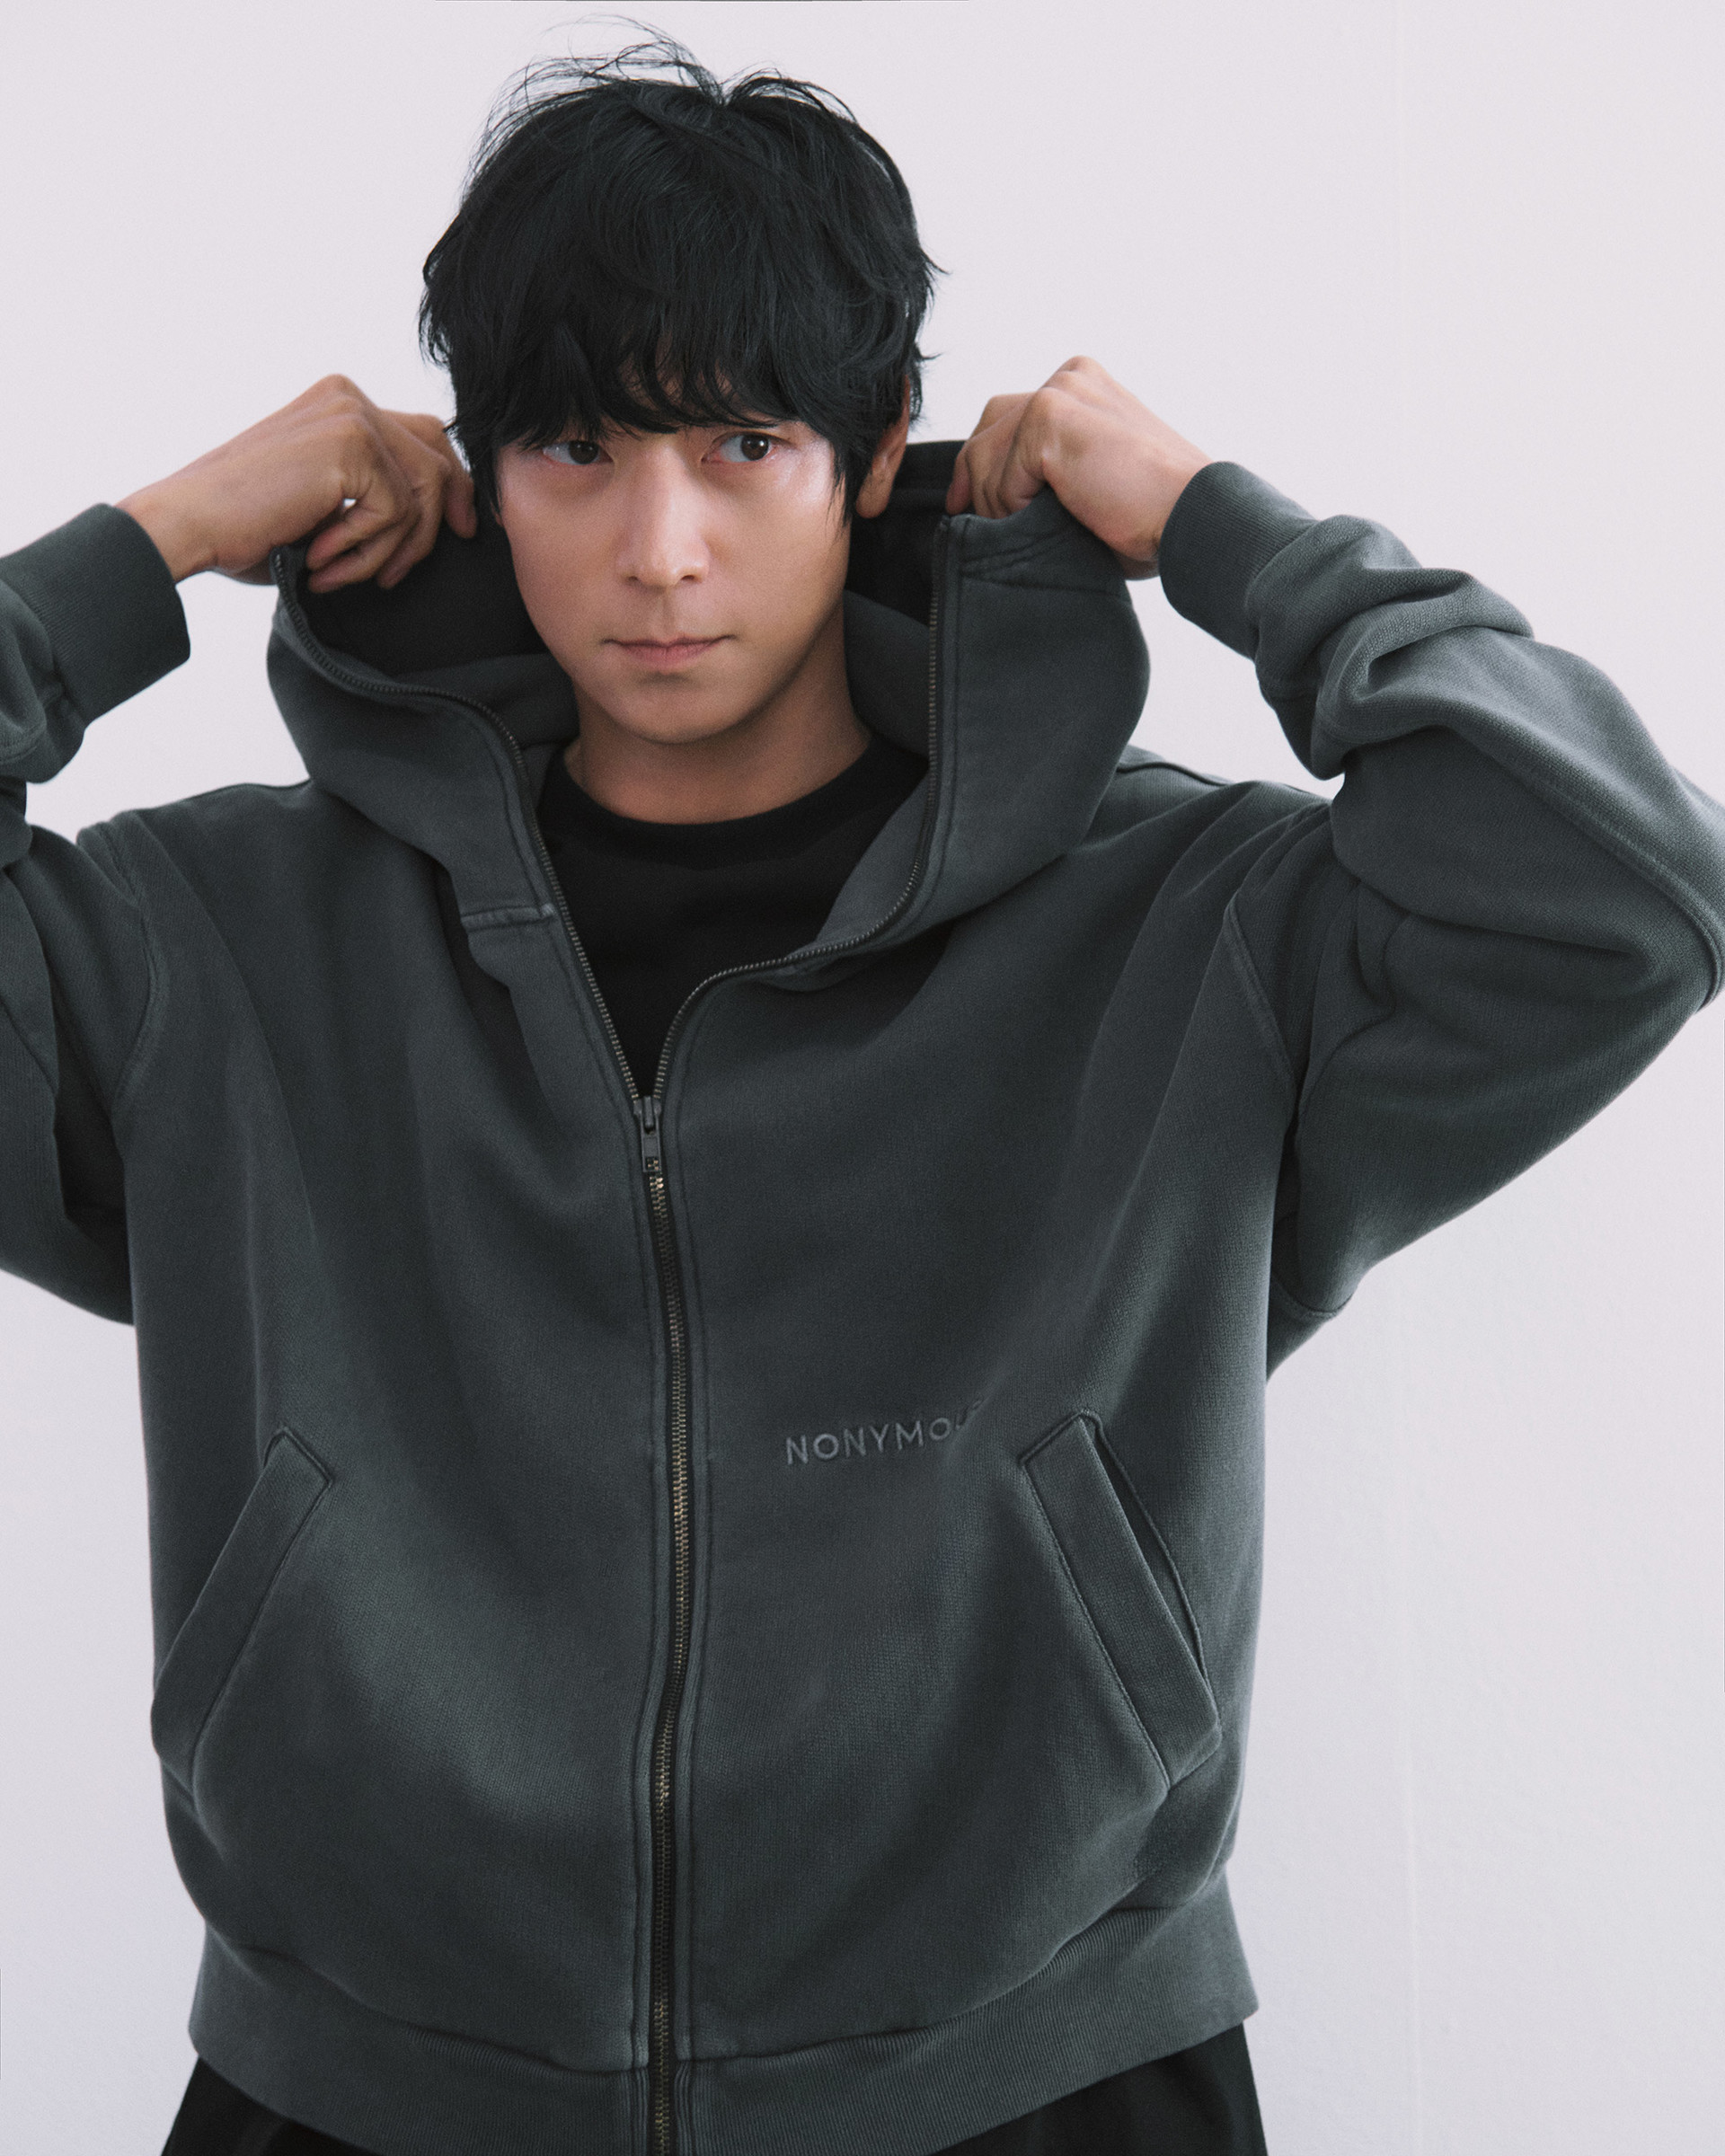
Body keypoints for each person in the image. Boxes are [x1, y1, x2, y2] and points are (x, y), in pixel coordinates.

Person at [2, 36, 1720, 2156]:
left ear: (877, 450)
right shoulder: (222, 949)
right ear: (479, 472)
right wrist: (152, 539)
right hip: (360, 2101)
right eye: (576, 449)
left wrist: (1222, 531)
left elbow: (1626, 893)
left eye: (745, 443)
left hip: (1047, 2091)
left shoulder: (1184, 932)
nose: (660, 552)